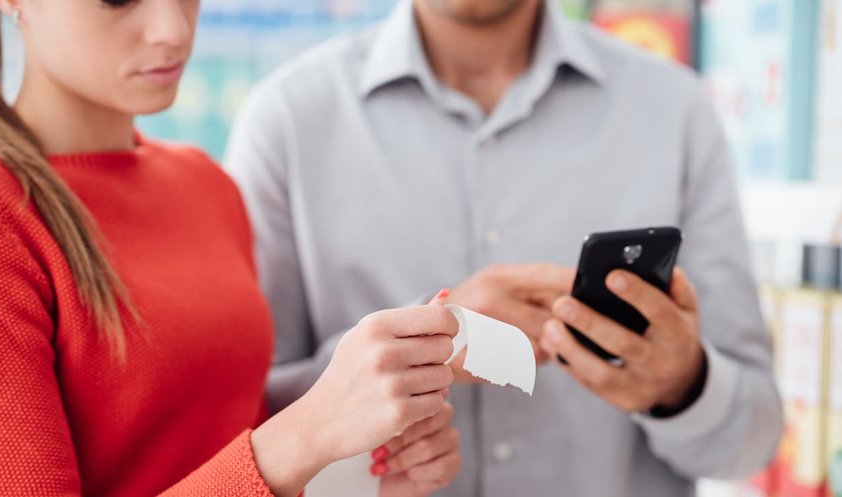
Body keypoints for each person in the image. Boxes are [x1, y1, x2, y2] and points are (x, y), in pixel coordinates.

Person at [224, 0, 784, 495]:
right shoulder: (287, 122)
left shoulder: (675, 112)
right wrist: (415, 350)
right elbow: (244, 435)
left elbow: (752, 443)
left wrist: (682, 385)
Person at [0, 1, 463, 496]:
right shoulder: (5, 220)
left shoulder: (206, 184)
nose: (172, 30)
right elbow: (266, 458)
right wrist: (307, 435)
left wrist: (358, 473)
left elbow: (221, 443)